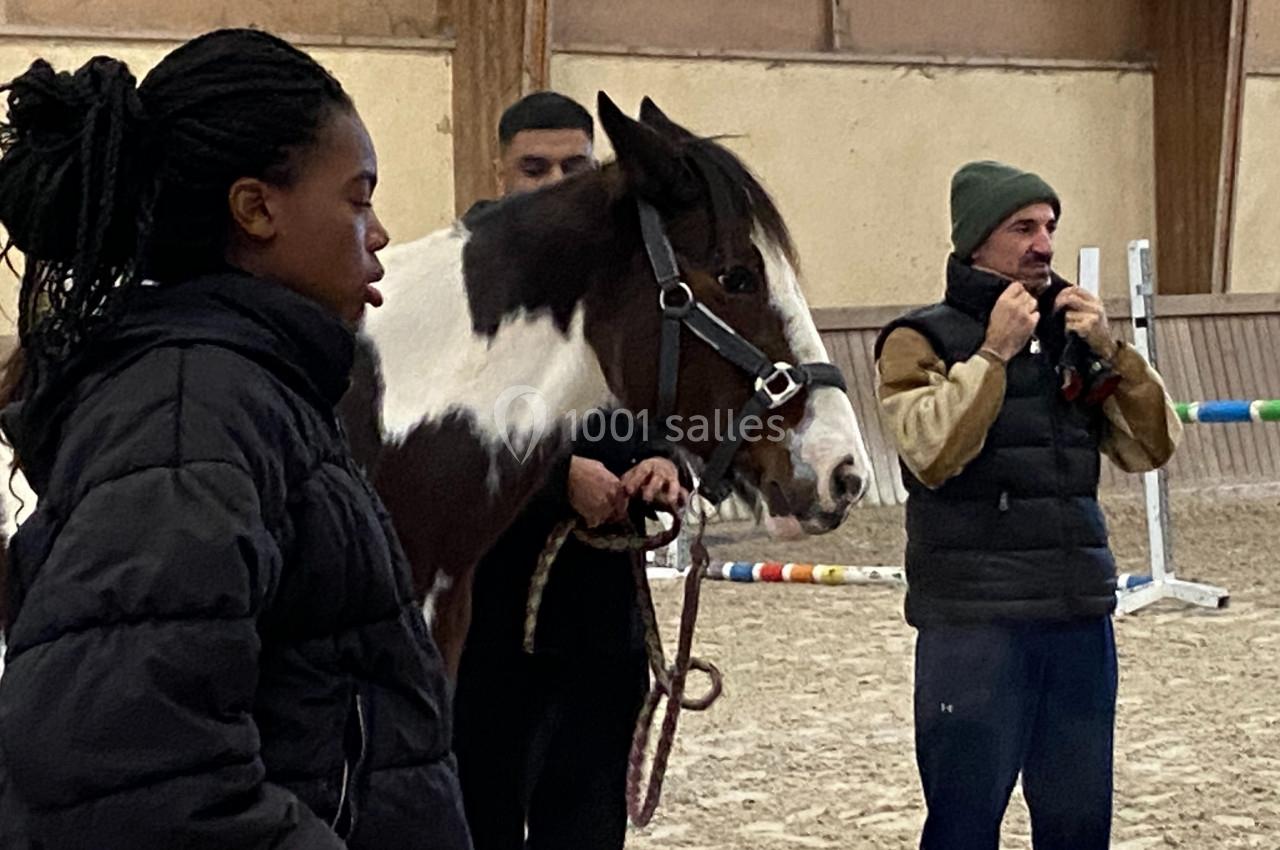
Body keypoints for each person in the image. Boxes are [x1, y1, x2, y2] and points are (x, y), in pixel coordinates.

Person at [0, 29, 470, 849]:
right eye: (358, 199)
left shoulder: (252, 391)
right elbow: (119, 763)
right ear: (256, 208)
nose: (381, 232)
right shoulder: (192, 409)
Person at [874, 160, 1183, 850]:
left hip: (1076, 620)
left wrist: (1111, 352)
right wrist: (993, 353)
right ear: (977, 241)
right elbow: (930, 454)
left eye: (1050, 227)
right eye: (1023, 227)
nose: (1044, 243)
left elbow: (1152, 447)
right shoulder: (917, 340)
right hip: (972, 630)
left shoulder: (1072, 331)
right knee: (962, 825)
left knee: (1078, 826)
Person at [452, 91, 687, 850]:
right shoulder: (459, 282)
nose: (557, 181)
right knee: (482, 823)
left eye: (575, 165)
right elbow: (451, 441)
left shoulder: (625, 281)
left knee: (586, 826)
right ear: (500, 170)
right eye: (534, 167)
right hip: (490, 620)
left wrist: (663, 459)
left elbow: (657, 394)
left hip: (599, 618)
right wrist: (559, 483)